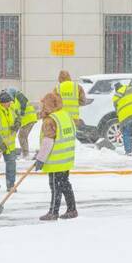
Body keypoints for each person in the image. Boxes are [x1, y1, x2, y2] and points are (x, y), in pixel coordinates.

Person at [33, 93, 78, 221]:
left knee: (55, 187)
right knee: (64, 184)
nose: (42, 107)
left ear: (49, 105)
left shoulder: (50, 120)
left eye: (44, 104)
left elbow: (48, 142)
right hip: (66, 158)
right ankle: (72, 209)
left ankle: (53, 212)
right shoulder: (64, 115)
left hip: (55, 161)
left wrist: (40, 159)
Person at [6, 87, 38, 159]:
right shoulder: (14, 102)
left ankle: (25, 154)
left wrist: (22, 111)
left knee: (21, 136)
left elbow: (24, 101)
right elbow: (16, 115)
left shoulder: (19, 96)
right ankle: (25, 153)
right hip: (27, 120)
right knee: (23, 136)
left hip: (29, 119)